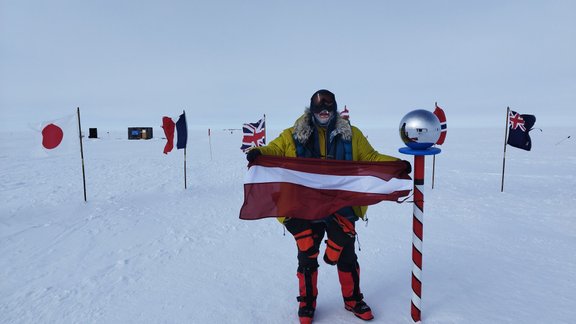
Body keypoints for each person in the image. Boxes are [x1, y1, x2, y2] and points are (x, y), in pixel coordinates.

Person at [246, 89, 411, 323]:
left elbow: (371, 158)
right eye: (319, 109)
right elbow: (274, 150)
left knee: (347, 256)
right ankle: (307, 302)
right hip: (305, 206)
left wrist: (395, 165)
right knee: (307, 256)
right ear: (311, 111)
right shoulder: (292, 135)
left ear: (334, 110)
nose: (324, 112)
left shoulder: (352, 135)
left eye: (328, 108)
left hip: (340, 204)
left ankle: (353, 299)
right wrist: (259, 153)